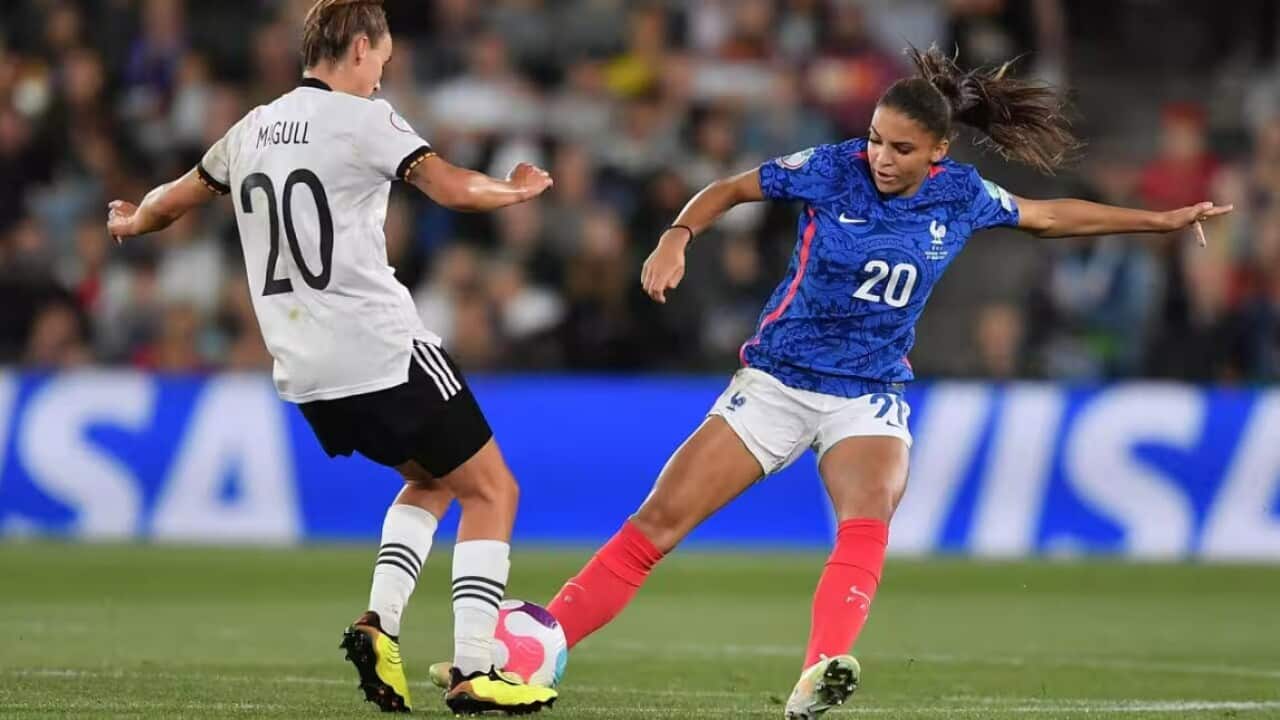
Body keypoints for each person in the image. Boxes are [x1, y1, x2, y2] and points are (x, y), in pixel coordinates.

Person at [433, 47, 1232, 719]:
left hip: (869, 393)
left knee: (869, 506)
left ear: (937, 157)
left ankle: (820, 672)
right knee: (656, 526)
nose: (881, 157)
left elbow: (1049, 216)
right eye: (877, 140)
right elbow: (731, 188)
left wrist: (1156, 223)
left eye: (899, 149)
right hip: (776, 383)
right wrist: (677, 235)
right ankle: (544, 640)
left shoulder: (963, 196)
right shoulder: (828, 169)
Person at [105, 0, 558, 715]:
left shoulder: (251, 127)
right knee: (494, 490)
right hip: (380, 346)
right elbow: (450, 187)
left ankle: (379, 625)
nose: (384, 68)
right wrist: (517, 189)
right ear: (356, 48)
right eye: (381, 54)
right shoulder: (364, 119)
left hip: (307, 373)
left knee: (434, 481)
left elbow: (173, 199)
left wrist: (133, 220)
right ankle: (476, 668)